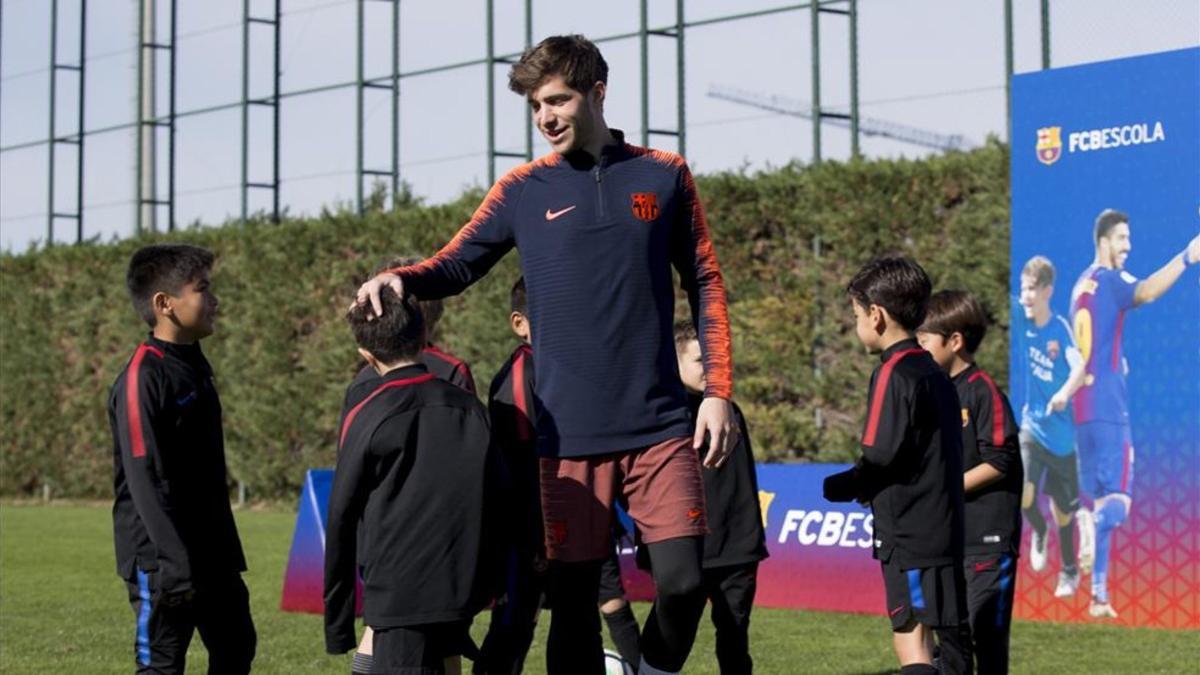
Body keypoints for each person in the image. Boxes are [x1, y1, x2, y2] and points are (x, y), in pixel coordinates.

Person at [353, 34, 737, 675]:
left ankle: (654, 670)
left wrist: (718, 390)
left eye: (556, 100)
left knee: (681, 579)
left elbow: (705, 281)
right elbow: (456, 263)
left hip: (661, 424)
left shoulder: (664, 174)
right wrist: (402, 278)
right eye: (535, 105)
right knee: (575, 604)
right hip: (566, 438)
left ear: (597, 92)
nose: (545, 117)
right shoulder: (522, 189)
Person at [324, 287, 501, 674]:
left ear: (367, 357)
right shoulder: (471, 408)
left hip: (398, 591)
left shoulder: (369, 411)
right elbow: (498, 497)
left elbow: (341, 515)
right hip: (460, 581)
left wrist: (338, 621)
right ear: (424, 339)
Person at [476, 277, 642, 673]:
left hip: (581, 524)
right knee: (517, 621)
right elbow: (520, 464)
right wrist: (536, 531)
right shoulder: (522, 372)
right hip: (534, 531)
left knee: (579, 622)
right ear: (520, 323)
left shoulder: (572, 369)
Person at [109, 243, 256, 674]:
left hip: (212, 551)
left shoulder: (194, 363)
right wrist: (174, 563)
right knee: (161, 665)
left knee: (237, 647)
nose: (215, 300)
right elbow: (143, 478)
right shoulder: (142, 378)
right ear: (164, 304)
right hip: (162, 557)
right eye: (202, 289)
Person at [823, 256, 970, 675]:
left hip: (908, 535)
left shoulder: (893, 371)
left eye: (855, 315)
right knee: (944, 641)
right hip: (941, 527)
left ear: (876, 315)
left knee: (911, 636)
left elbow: (879, 454)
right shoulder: (934, 371)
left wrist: (844, 484)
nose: (855, 325)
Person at [1069, 209, 1200, 618]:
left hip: (1083, 409)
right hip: (1108, 408)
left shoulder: (1080, 285)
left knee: (1104, 499)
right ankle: (1088, 521)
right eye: (1122, 239)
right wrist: (1187, 257)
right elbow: (1143, 292)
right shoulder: (1109, 279)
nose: (1128, 246)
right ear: (1105, 240)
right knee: (1119, 504)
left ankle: (1098, 597)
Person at [918, 290, 1022, 674]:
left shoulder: (984, 391)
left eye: (923, 340)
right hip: (948, 542)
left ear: (955, 341)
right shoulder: (935, 392)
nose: (917, 348)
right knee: (951, 642)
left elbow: (1000, 460)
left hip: (987, 543)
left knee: (987, 641)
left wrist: (940, 491)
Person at [675, 319, 768, 674]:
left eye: (714, 361)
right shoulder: (667, 415)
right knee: (673, 639)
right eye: (700, 361)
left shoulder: (729, 410)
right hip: (691, 549)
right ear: (675, 362)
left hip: (738, 549)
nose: (710, 369)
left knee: (734, 640)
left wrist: (751, 541)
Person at [1013, 256, 1085, 597]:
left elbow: (1079, 369)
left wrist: (1063, 393)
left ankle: (1069, 570)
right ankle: (1038, 531)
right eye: (1023, 288)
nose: (1025, 296)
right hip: (1031, 428)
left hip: (1061, 440)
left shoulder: (1059, 329)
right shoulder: (1020, 319)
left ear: (1047, 292)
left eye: (1032, 290)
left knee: (1064, 514)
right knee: (1022, 494)